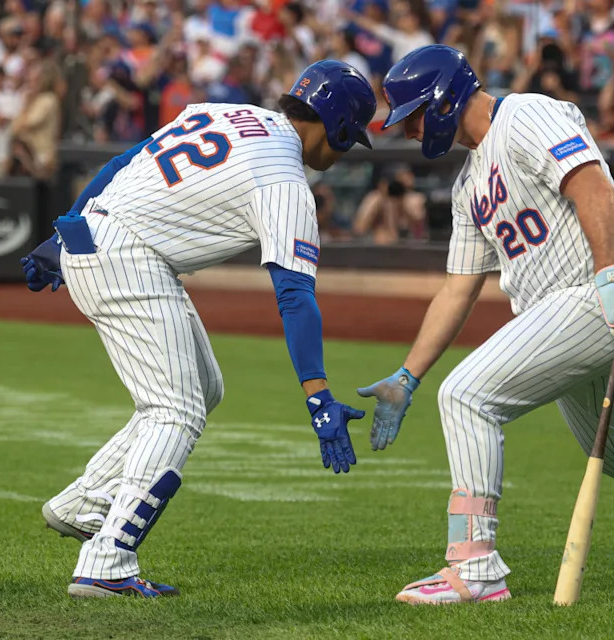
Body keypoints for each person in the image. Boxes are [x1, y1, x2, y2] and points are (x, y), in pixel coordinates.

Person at [358, 45, 614, 605]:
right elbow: (459, 287)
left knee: (466, 396)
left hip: (591, 298)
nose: (407, 131)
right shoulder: (466, 186)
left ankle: (474, 566)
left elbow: (591, 186)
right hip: (557, 314)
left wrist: (610, 276)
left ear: (440, 100)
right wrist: (406, 376)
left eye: (410, 115)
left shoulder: (525, 114)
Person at [19, 60, 376, 599]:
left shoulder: (226, 111)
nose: (344, 152)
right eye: (349, 140)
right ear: (340, 126)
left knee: (203, 390)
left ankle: (86, 503)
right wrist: (318, 394)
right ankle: (107, 561)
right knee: (176, 410)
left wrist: (65, 229)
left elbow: (123, 161)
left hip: (102, 238)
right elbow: (294, 295)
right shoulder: (284, 177)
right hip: (129, 256)